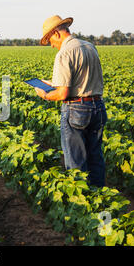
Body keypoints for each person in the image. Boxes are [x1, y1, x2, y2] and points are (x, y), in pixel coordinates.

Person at [33, 15, 107, 187]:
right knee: (95, 157)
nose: (51, 45)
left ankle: (82, 204)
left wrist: (43, 93)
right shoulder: (90, 47)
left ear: (56, 33)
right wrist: (53, 84)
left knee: (76, 161)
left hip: (77, 110)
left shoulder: (64, 53)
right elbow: (82, 80)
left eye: (50, 40)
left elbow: (62, 94)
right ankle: (100, 196)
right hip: (98, 107)